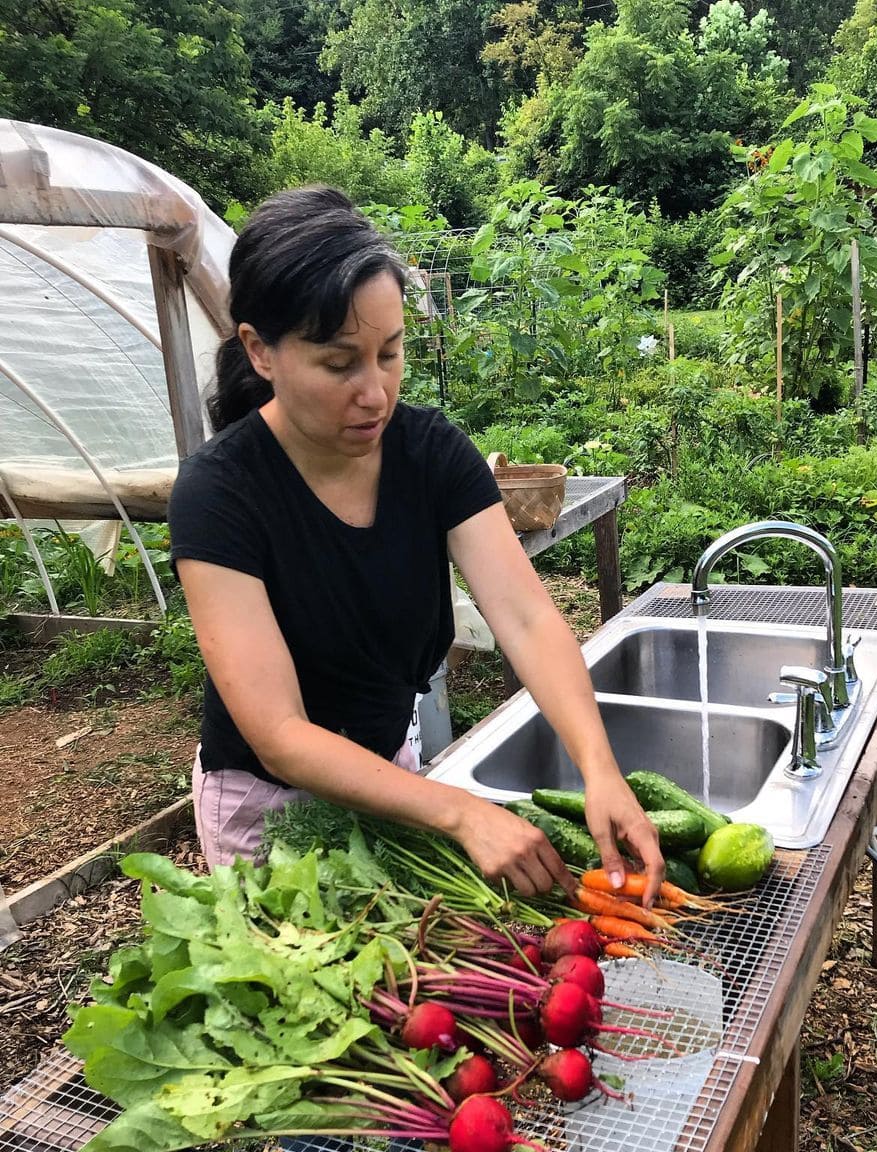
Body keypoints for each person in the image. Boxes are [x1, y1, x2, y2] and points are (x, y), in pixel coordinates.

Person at [168, 185, 664, 912]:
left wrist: (599, 765)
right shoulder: (220, 493)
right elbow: (278, 733)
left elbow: (525, 618)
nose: (376, 393)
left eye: (390, 354)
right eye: (341, 365)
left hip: (392, 777)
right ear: (260, 351)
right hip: (266, 807)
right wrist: (462, 812)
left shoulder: (430, 452)